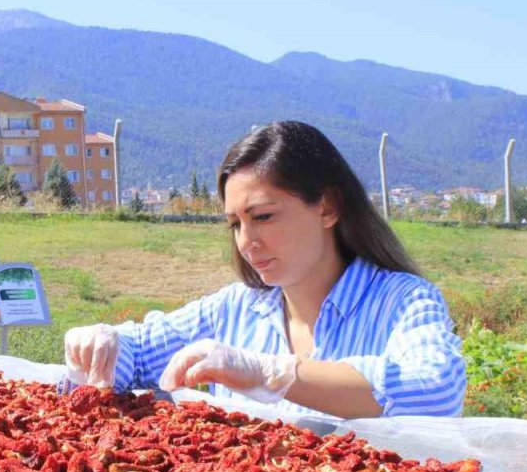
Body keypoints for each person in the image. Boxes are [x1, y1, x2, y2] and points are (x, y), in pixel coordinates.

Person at [63, 121, 466, 419]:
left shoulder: (403, 301)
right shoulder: (235, 309)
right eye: (235, 224)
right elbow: (137, 353)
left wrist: (273, 374)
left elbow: (435, 389)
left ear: (327, 207)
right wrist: (102, 345)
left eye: (264, 216)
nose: (246, 241)